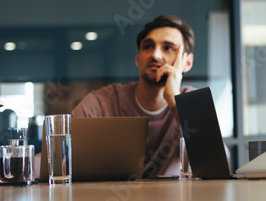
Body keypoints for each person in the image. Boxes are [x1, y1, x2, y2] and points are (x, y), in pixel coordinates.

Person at [71, 15, 196, 177]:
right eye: (148, 47)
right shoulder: (102, 102)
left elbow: (216, 161)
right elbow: (60, 155)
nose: (155, 55)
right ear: (138, 59)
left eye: (168, 48)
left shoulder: (192, 101)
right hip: (109, 200)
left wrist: (174, 99)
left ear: (187, 62)